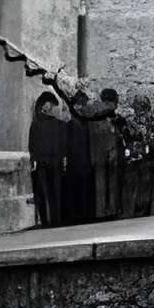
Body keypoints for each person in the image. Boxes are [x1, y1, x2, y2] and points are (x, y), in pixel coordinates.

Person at [53, 78, 98, 227]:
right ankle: (81, 214)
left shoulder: (79, 123)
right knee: (79, 187)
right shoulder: (79, 123)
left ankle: (80, 214)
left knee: (79, 187)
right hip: (79, 161)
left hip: (80, 160)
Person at [26, 91, 67, 228]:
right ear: (47, 105)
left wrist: (34, 160)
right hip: (53, 161)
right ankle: (54, 220)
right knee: (54, 192)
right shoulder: (59, 125)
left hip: (42, 161)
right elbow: (63, 146)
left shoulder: (36, 124)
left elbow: (32, 145)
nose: (55, 110)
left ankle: (45, 220)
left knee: (43, 192)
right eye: (54, 106)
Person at [85, 87, 124, 221]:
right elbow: (111, 135)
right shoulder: (108, 114)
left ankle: (101, 212)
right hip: (109, 152)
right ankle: (111, 210)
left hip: (96, 154)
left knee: (100, 182)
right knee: (111, 182)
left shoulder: (93, 114)